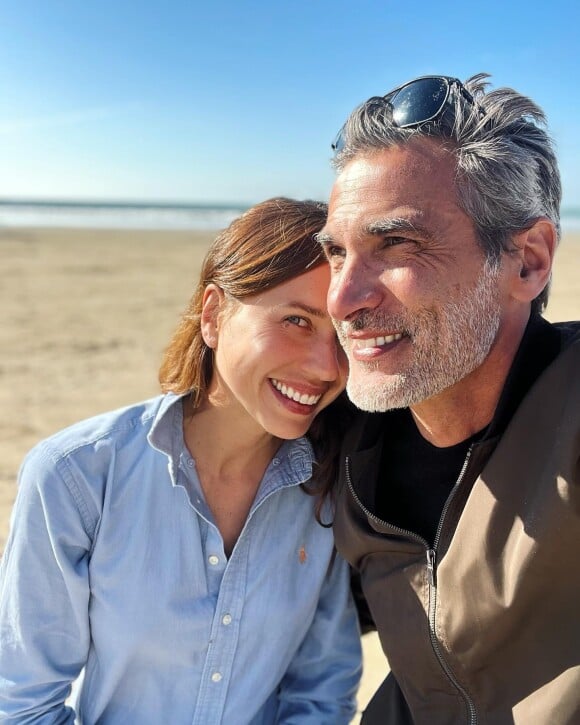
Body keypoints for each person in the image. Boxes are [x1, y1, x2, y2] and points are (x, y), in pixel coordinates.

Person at [0, 198, 362, 724]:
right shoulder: (75, 476)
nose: (326, 367)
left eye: (343, 336)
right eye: (296, 321)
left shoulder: (326, 491)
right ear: (214, 316)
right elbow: (23, 704)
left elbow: (320, 693)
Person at [317, 74, 580, 724]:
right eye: (336, 253)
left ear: (528, 261)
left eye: (395, 245)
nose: (343, 299)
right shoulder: (344, 450)